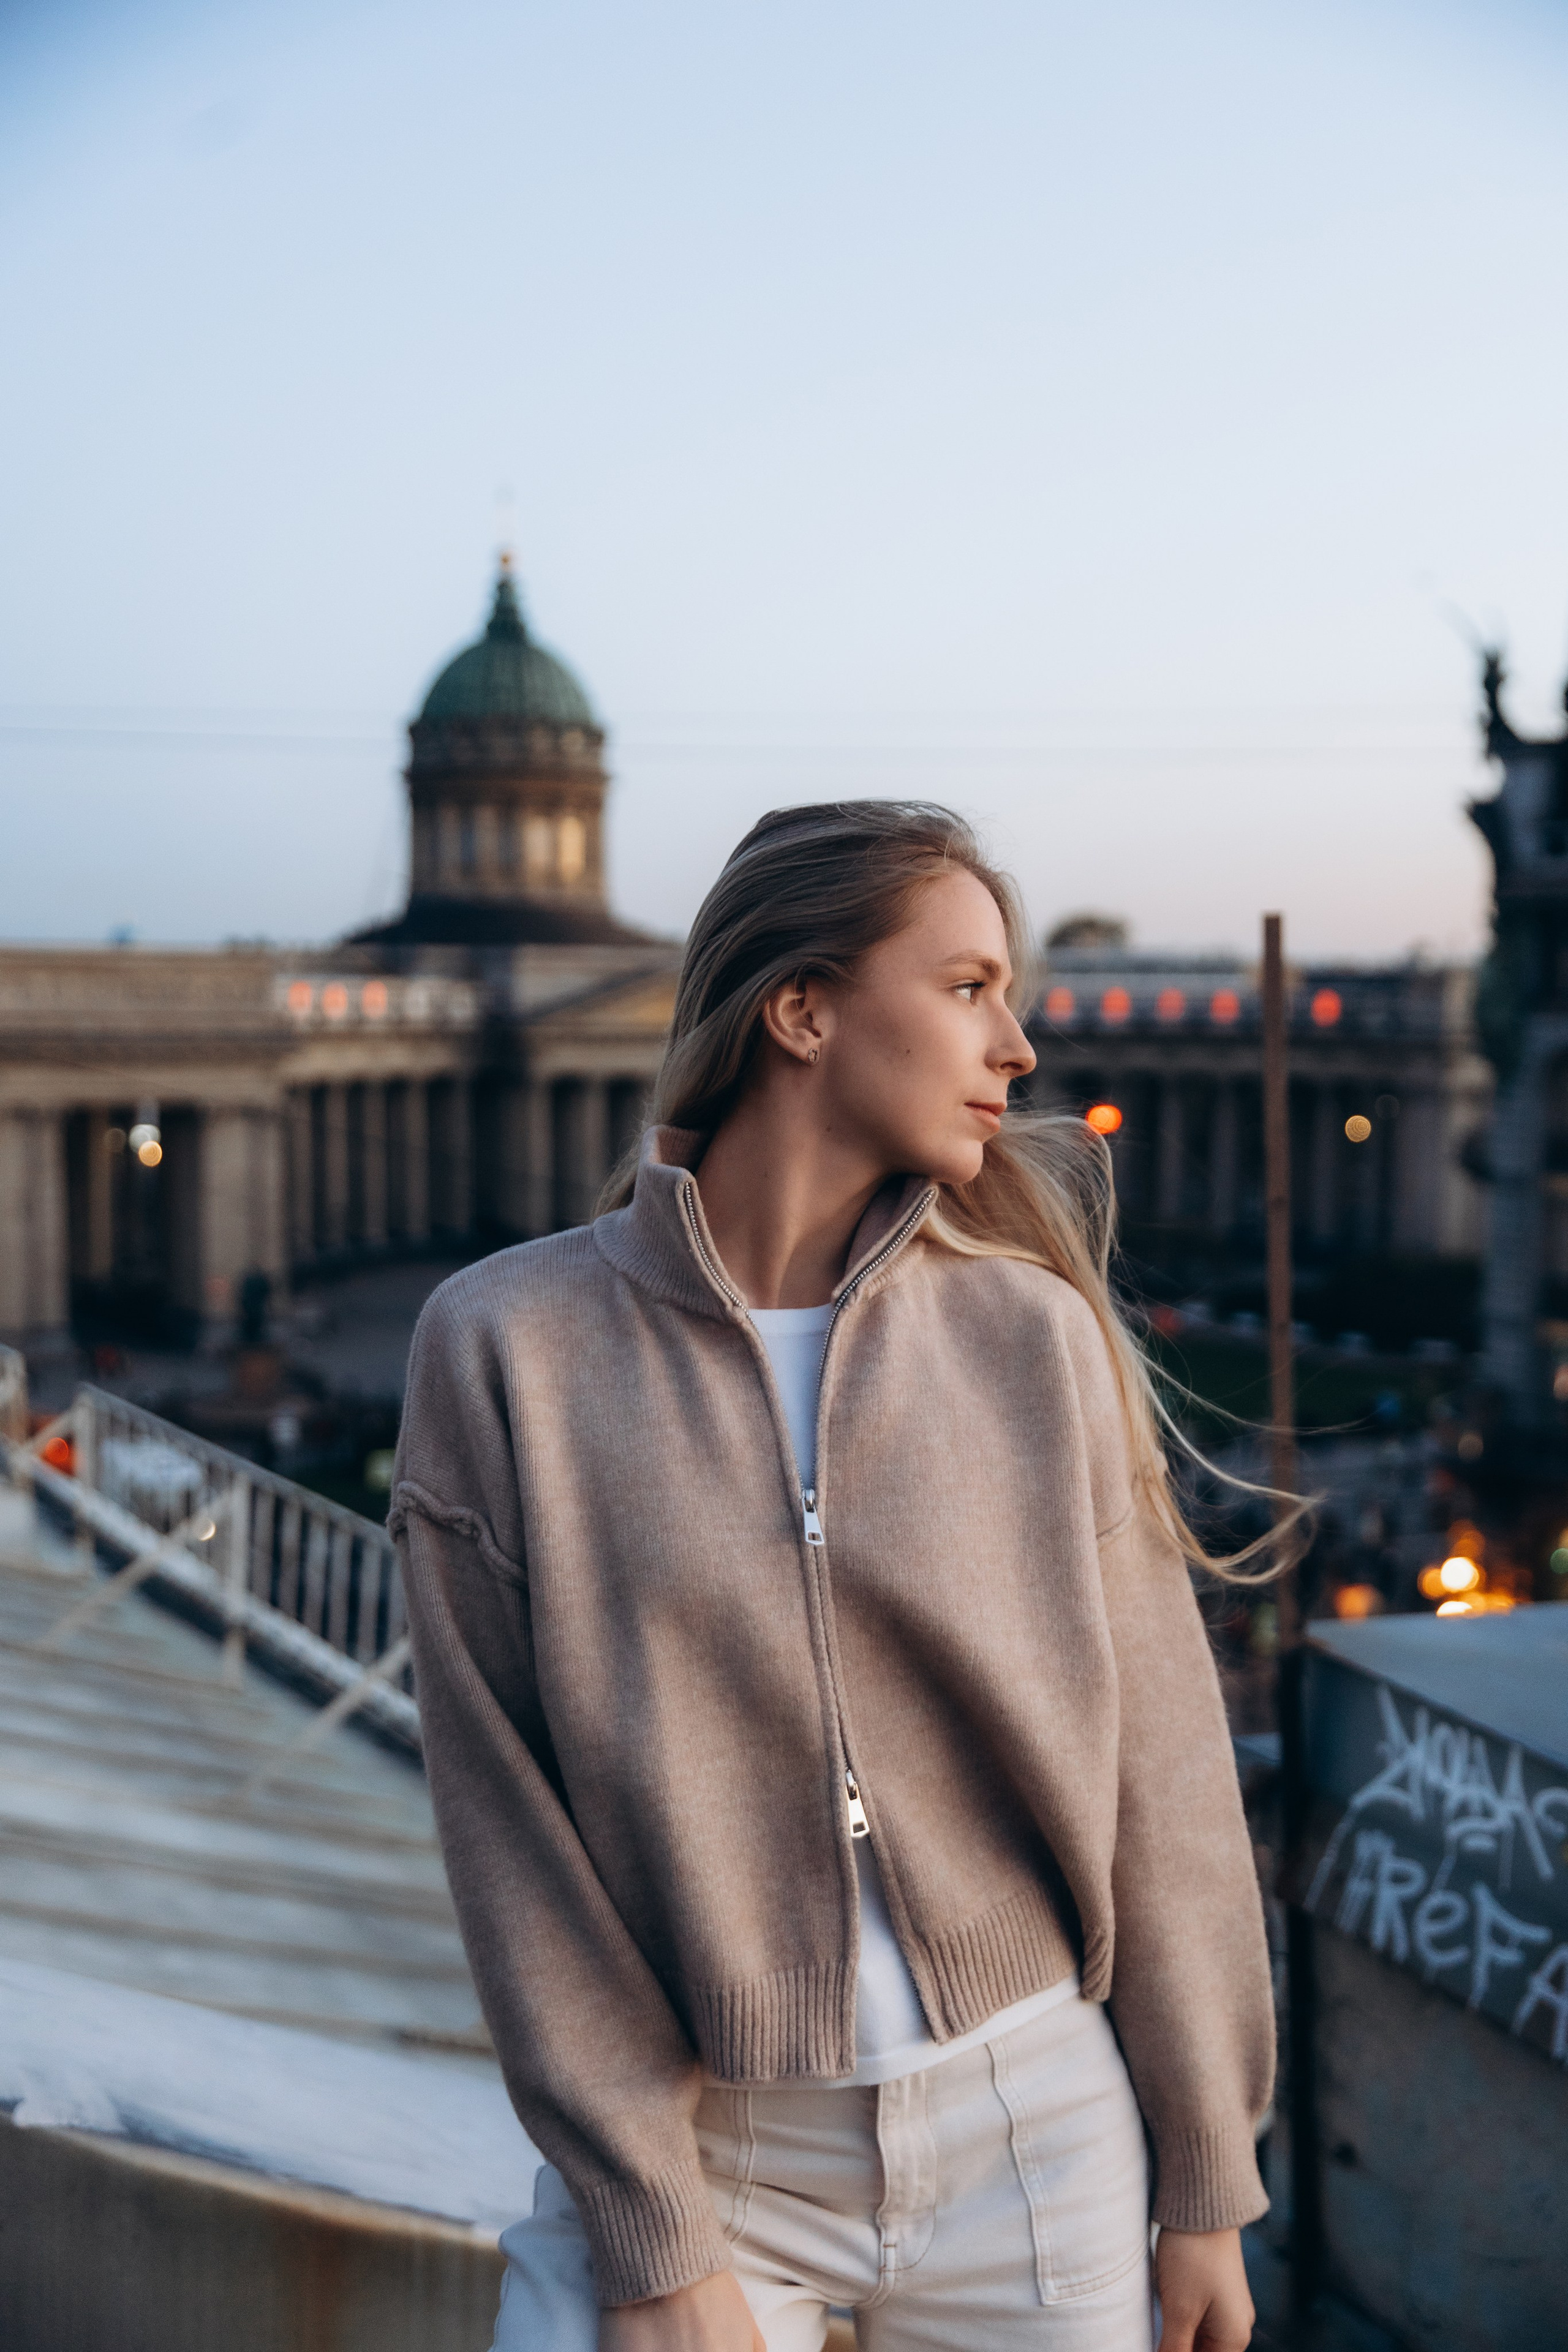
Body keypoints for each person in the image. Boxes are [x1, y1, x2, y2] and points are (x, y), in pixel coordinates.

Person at [391, 801, 1275, 2352]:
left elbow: (1166, 1779)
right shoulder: (503, 1347)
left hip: (1037, 2135)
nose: (1016, 1047)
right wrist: (655, 2238)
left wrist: (1205, 2174)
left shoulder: (1030, 1340)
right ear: (799, 1010)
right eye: (964, 987)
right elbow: (504, 1826)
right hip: (702, 2149)